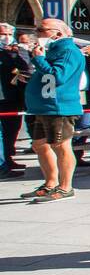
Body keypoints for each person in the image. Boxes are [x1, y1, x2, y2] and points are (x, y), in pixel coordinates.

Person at [20, 19, 84, 202]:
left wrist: (39, 59)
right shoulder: (53, 50)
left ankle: (65, 187)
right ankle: (50, 183)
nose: (37, 33)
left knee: (61, 145)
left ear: (58, 33)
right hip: (44, 107)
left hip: (58, 108)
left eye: (42, 30)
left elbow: (58, 76)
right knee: (40, 145)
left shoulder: (68, 51)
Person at [0, 26, 33, 176]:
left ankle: (7, 158)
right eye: (3, 34)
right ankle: (2, 165)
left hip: (11, 97)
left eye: (9, 34)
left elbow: (25, 66)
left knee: (12, 129)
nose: (6, 37)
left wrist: (18, 52)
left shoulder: (13, 51)